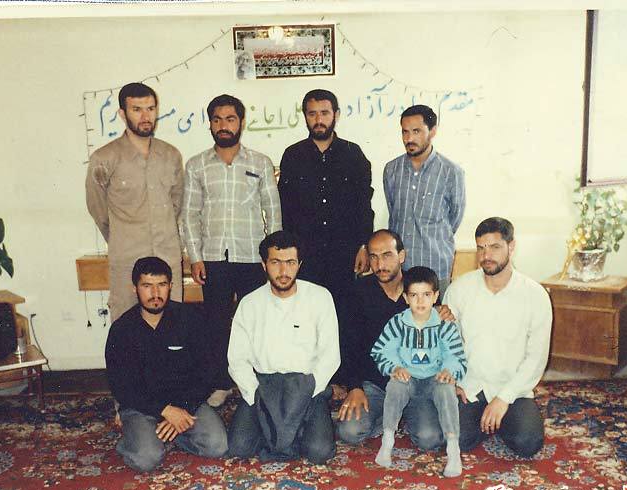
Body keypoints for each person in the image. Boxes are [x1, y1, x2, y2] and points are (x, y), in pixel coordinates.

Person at [182, 94, 282, 407]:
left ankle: (258, 379)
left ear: (241, 122)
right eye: (217, 120)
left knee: (256, 321)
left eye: (230, 119)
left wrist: (274, 258)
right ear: (210, 124)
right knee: (216, 325)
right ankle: (221, 383)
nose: (223, 125)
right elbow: (189, 215)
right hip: (213, 258)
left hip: (252, 257)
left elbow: (273, 211)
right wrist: (195, 257)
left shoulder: (260, 162)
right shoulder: (196, 165)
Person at [226, 231, 340, 464]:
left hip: (306, 384)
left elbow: (330, 356)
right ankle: (286, 433)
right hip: (264, 386)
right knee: (239, 447)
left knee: (319, 452)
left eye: (290, 262)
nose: (283, 271)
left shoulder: (320, 297)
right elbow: (237, 359)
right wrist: (256, 396)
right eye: (275, 262)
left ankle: (289, 432)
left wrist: (308, 392)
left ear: (299, 264)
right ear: (264, 265)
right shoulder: (250, 303)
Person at [105, 257, 227, 472]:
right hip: (141, 407)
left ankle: (168, 434)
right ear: (135, 289)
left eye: (161, 285)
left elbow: (208, 372)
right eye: (147, 286)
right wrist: (165, 411)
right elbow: (121, 386)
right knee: (146, 459)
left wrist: (182, 409)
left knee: (217, 446)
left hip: (185, 401)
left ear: (170, 286)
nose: (155, 293)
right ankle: (136, 440)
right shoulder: (122, 330)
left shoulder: (190, 319)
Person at [336, 230, 454, 452]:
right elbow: (347, 346)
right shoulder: (357, 293)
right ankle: (391, 415)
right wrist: (354, 387)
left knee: (430, 439)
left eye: (387, 255)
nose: (380, 264)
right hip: (375, 384)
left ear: (402, 256)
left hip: (416, 383)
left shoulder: (419, 288)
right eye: (373, 257)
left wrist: (441, 314)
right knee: (349, 431)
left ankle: (405, 414)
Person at [443, 217, 552, 458]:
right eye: (481, 248)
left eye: (494, 247)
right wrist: (454, 382)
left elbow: (536, 358)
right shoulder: (460, 289)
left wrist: (503, 399)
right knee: (454, 439)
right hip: (470, 388)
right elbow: (447, 344)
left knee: (528, 442)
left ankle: (500, 420)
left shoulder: (535, 295)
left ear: (511, 247)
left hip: (513, 390)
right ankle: (488, 422)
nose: (486, 256)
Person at [86, 82, 184, 321]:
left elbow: (177, 203)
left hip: (167, 258)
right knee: (126, 327)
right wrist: (121, 237)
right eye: (137, 109)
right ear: (122, 113)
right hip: (127, 261)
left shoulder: (171, 155)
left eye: (150, 109)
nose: (145, 116)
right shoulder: (104, 158)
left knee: (173, 326)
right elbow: (98, 209)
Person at [278, 89, 374, 314]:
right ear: (305, 116)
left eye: (324, 113)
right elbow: (285, 208)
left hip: (344, 254)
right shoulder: (293, 155)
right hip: (305, 255)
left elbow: (363, 204)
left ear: (336, 115)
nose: (318, 120)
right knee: (306, 315)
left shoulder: (353, 154)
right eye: (312, 114)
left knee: (343, 315)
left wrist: (363, 246)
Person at [370, 266, 466, 476]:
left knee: (446, 388)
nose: (420, 301)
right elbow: (381, 351)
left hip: (433, 381)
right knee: (395, 385)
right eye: (414, 295)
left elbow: (456, 355)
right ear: (406, 297)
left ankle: (453, 449)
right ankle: (388, 440)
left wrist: (449, 371)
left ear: (436, 296)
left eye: (426, 295)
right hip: (409, 380)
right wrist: (395, 367)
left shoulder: (444, 325)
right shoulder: (398, 323)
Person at [383, 104, 465, 298]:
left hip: (435, 268)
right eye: (405, 132)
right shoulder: (391, 170)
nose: (409, 139)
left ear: (433, 131)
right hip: (400, 269)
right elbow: (393, 211)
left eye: (416, 131)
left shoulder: (451, 172)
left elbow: (455, 218)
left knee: (437, 317)